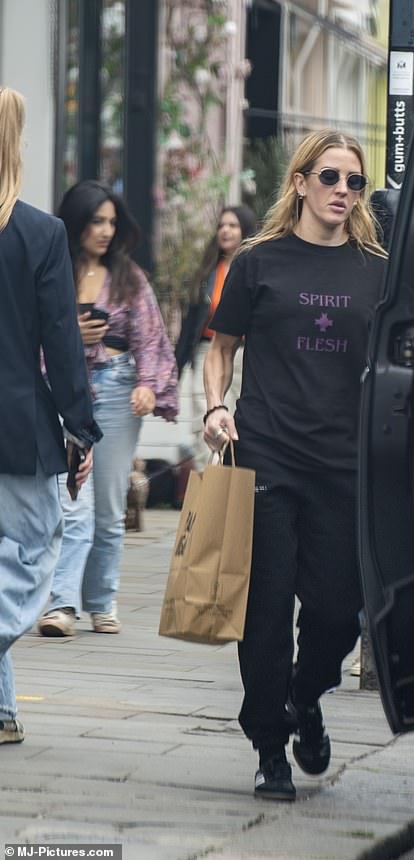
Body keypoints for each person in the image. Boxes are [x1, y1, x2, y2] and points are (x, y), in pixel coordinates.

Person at [202, 129, 387, 800]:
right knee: (266, 610)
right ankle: (270, 744)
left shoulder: (377, 268)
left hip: (345, 461)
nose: (343, 190)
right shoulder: (259, 262)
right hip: (268, 452)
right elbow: (221, 346)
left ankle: (307, 697)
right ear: (301, 182)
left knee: (341, 609)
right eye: (331, 177)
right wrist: (216, 407)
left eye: (354, 181)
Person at [0, 87, 100, 745]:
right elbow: (63, 341)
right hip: (17, 426)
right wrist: (81, 427)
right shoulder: (38, 232)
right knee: (36, 557)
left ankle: (2, 711)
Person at [37, 180, 178, 638]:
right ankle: (63, 605)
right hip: (63, 391)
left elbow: (152, 338)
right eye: (96, 220)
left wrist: (148, 388)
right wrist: (71, 337)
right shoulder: (53, 270)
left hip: (117, 392)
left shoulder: (128, 276)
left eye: (111, 222)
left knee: (108, 506)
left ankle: (101, 599)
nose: (104, 230)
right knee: (72, 501)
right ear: (75, 222)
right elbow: (28, 335)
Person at [175, 205, 256, 470]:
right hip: (207, 351)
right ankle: (208, 480)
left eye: (232, 225)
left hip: (245, 354)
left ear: (244, 230)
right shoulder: (209, 271)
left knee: (239, 420)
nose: (225, 230)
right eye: (222, 225)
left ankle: (236, 481)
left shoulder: (255, 267)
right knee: (205, 415)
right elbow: (190, 323)